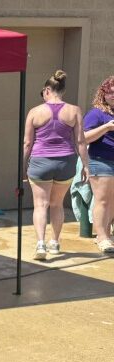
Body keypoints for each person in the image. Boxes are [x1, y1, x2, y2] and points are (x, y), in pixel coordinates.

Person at [22, 70, 90, 260]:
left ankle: (40, 244)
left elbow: (27, 143)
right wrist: (86, 165)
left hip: (40, 162)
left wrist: (22, 166)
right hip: (65, 162)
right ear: (63, 90)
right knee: (57, 204)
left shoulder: (35, 112)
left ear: (47, 90)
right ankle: (54, 242)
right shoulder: (74, 110)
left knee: (40, 205)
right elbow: (80, 141)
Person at [82, 75, 114, 253]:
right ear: (103, 94)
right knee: (102, 200)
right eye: (110, 92)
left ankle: (106, 235)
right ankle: (101, 237)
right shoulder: (96, 113)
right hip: (101, 161)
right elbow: (84, 137)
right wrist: (106, 127)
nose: (113, 96)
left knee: (112, 202)